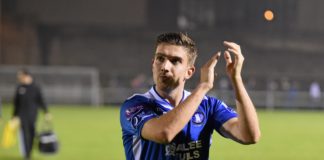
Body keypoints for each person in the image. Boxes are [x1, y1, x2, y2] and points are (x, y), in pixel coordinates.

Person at [120, 32, 261, 159]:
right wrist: (203, 87)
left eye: (175, 61)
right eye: (160, 58)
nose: (165, 66)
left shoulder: (208, 106)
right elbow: (164, 133)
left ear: (189, 72)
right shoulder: (135, 105)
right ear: (153, 64)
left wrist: (236, 79)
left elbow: (249, 136)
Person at [12, 69, 51, 160]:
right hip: (22, 116)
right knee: (24, 134)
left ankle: (29, 150)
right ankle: (27, 154)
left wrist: (46, 112)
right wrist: (14, 116)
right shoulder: (19, 88)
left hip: (33, 115)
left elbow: (41, 100)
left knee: (32, 133)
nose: (19, 78)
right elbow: (16, 103)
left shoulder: (36, 88)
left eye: (21, 76)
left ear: (27, 76)